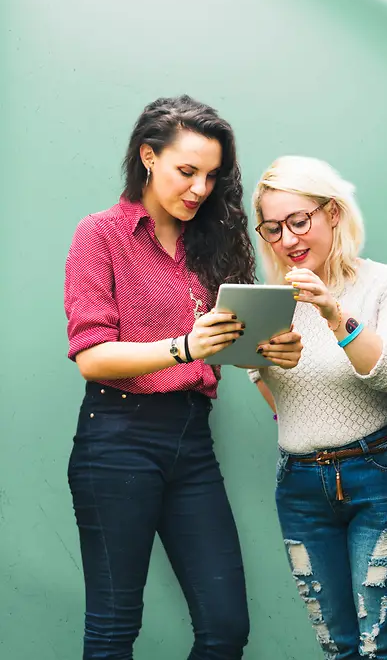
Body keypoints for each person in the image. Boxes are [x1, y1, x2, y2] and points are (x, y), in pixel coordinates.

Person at [63, 95, 302, 659]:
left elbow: (237, 352)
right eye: (186, 171)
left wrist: (269, 353)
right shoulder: (100, 235)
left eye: (211, 177)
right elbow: (92, 356)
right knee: (114, 627)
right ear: (149, 157)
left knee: (225, 628)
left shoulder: (211, 246)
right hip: (117, 438)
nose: (199, 189)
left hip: (191, 441)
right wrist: (185, 346)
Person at [249, 156, 387, 659]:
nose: (287, 239)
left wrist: (333, 313)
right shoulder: (266, 302)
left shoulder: (384, 282)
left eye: (298, 221)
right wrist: (265, 366)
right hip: (301, 486)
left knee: (384, 648)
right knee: (338, 649)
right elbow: (273, 392)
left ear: (332, 213)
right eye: (272, 229)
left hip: (382, 475)